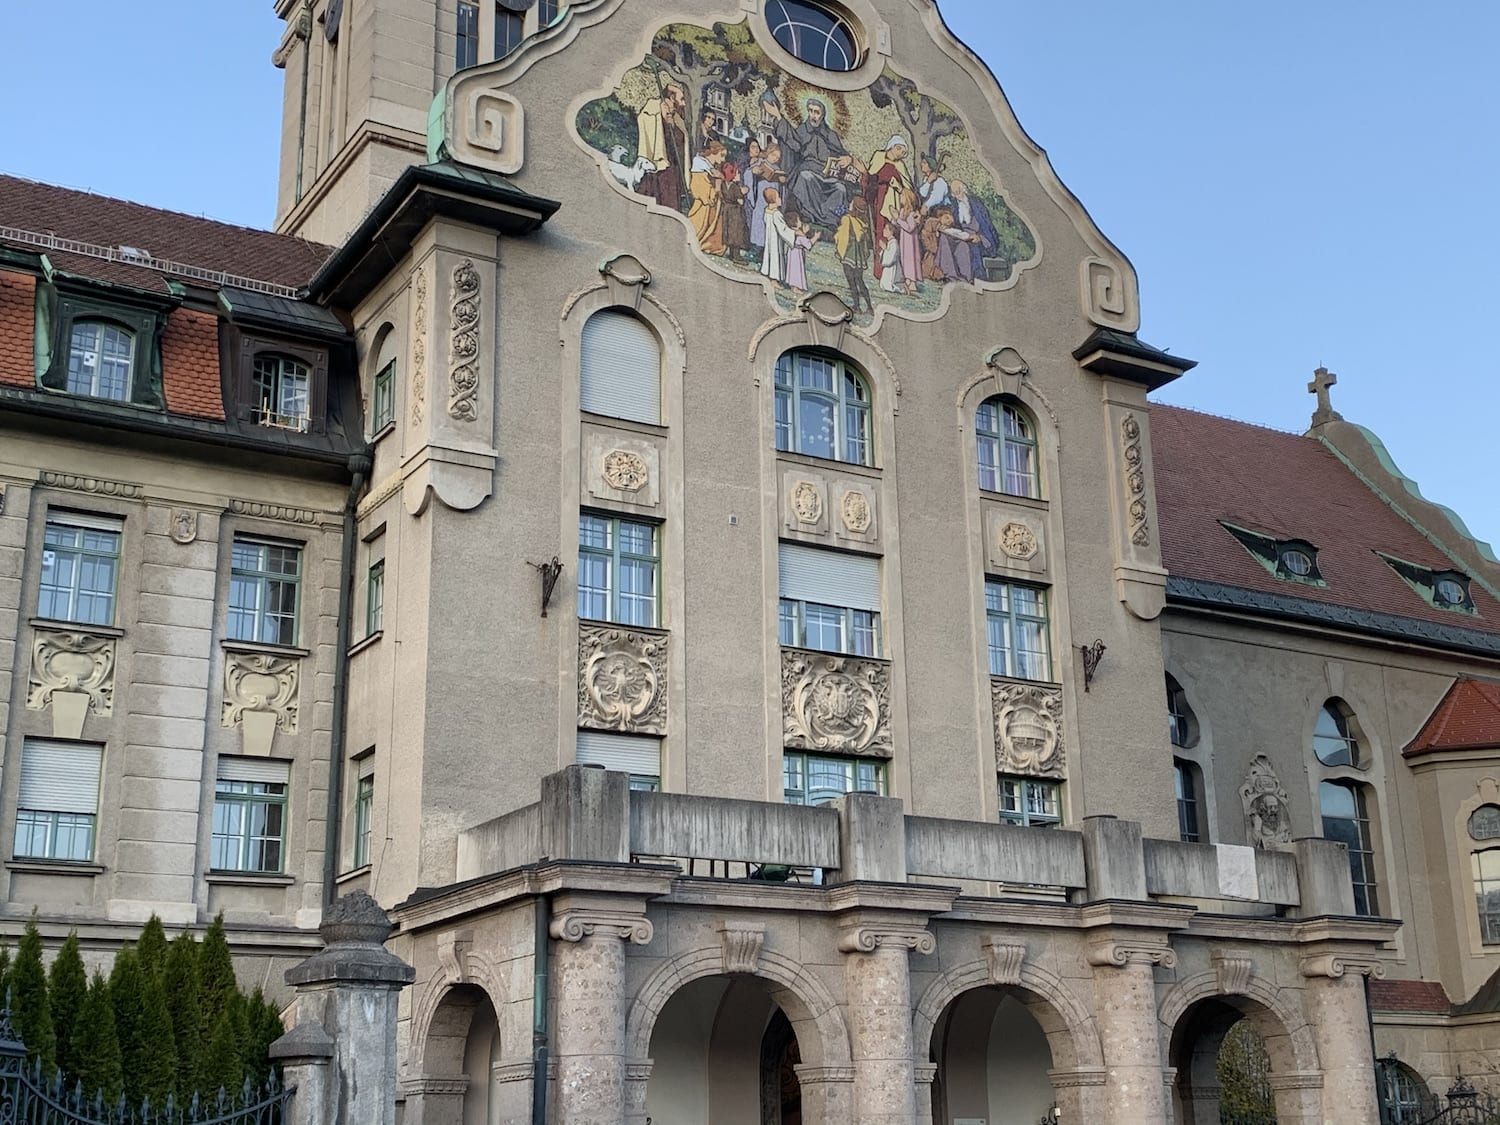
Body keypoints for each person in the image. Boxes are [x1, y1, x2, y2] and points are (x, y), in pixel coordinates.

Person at [762, 96, 860, 228]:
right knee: (805, 177)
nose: (813, 115)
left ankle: (832, 219)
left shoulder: (831, 135)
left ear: (823, 114)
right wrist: (779, 117)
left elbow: (841, 152)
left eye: (817, 112)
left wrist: (848, 159)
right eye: (811, 111)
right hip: (808, 170)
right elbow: (793, 142)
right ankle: (809, 214)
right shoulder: (803, 130)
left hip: (828, 175)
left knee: (840, 188)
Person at [864, 135, 912, 286]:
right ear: (893, 147)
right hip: (880, 199)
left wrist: (898, 186)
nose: (901, 154)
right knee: (880, 234)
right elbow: (870, 176)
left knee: (894, 236)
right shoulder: (879, 156)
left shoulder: (901, 166)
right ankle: (879, 270)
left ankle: (894, 273)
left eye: (904, 153)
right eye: (900, 150)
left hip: (895, 203)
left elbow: (907, 187)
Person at [636, 83, 687, 211]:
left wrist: (673, 126)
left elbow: (680, 141)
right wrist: (661, 118)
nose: (683, 104)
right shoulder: (651, 109)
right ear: (670, 99)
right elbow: (645, 124)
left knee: (670, 205)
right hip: (656, 168)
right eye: (681, 99)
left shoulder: (677, 119)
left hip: (671, 169)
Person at [950, 180, 999, 281]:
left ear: (964, 190)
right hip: (962, 237)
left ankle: (977, 278)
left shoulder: (976, 204)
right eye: (954, 193)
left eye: (958, 191)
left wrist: (980, 237)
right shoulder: (954, 206)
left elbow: (986, 225)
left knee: (972, 246)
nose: (957, 195)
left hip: (981, 239)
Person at [833, 195, 874, 314]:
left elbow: (842, 236)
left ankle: (857, 306)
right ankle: (869, 307)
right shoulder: (863, 222)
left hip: (849, 253)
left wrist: (839, 248)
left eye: (851, 203)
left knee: (851, 281)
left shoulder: (848, 219)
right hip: (859, 256)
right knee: (860, 281)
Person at [688, 141, 728, 254]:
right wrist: (713, 190)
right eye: (722, 155)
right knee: (700, 222)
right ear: (714, 152)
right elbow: (698, 186)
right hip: (704, 202)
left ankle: (710, 244)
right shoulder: (699, 162)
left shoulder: (711, 166)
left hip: (712, 201)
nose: (723, 159)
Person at [745, 142, 784, 252]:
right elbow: (748, 173)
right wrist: (753, 171)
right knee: (760, 218)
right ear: (768, 153)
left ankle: (768, 246)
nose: (775, 159)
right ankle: (757, 245)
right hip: (761, 195)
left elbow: (782, 184)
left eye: (777, 157)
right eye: (773, 155)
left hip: (773, 194)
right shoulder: (760, 163)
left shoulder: (777, 168)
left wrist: (782, 181)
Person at [760, 186, 795, 284]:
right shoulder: (776, 214)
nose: (780, 199)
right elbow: (782, 229)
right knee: (775, 258)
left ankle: (770, 277)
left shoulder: (767, 211)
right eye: (778, 197)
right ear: (774, 199)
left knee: (769, 256)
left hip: (769, 240)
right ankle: (774, 280)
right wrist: (793, 233)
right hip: (775, 242)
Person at [719, 161, 753, 262]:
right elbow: (741, 201)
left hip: (727, 211)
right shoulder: (735, 187)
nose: (739, 175)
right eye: (737, 173)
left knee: (729, 232)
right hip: (735, 213)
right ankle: (736, 256)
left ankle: (731, 253)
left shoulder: (724, 184)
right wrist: (743, 192)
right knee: (737, 233)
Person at [783, 209, 820, 290]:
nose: (801, 222)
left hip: (792, 253)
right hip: (797, 256)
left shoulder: (792, 232)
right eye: (799, 220)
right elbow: (808, 245)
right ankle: (796, 287)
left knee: (791, 269)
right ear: (794, 224)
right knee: (797, 270)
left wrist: (804, 232)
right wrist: (815, 237)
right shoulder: (800, 236)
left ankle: (792, 285)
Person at [895, 189, 922, 296]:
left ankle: (912, 282)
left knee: (911, 261)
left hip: (911, 242)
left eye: (902, 196)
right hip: (904, 241)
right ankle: (907, 280)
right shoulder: (903, 211)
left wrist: (898, 220)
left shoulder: (912, 214)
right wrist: (895, 218)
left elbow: (910, 228)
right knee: (904, 260)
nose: (900, 197)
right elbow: (899, 224)